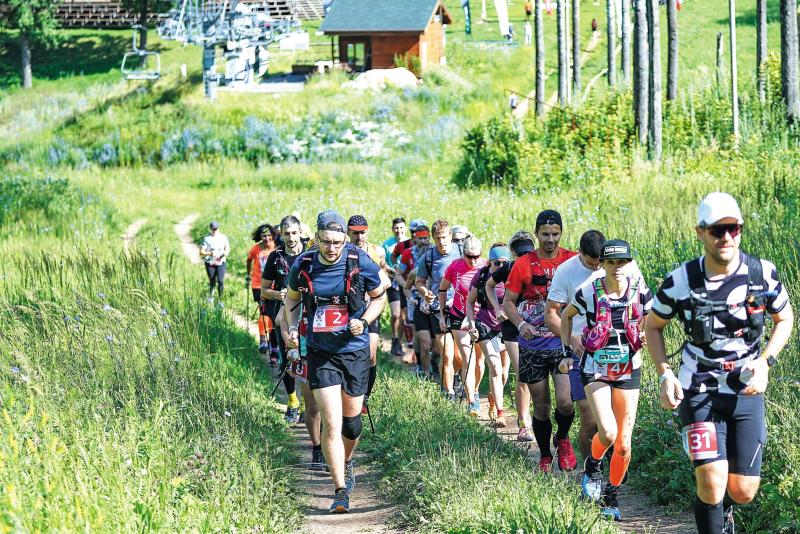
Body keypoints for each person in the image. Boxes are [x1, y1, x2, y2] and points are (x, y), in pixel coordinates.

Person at [644, 193, 793, 534]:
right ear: (700, 232)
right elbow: (652, 326)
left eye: (733, 229)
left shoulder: (762, 274)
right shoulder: (681, 281)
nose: (726, 237)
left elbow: (785, 318)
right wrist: (665, 373)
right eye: (717, 230)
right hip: (697, 389)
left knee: (742, 491)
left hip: (746, 389)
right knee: (711, 482)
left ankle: (726, 510)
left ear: (740, 230)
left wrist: (766, 362)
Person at [283, 209, 385, 514]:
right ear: (316, 237)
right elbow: (290, 300)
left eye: (338, 242)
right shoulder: (304, 263)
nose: (332, 248)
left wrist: (364, 321)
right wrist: (290, 327)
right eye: (326, 241)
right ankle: (340, 490)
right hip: (320, 350)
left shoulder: (359, 261)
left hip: (353, 349)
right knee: (331, 419)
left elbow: (379, 297)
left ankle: (347, 459)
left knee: (351, 424)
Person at [560, 239, 652, 521]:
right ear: (602, 264)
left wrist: (645, 334)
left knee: (624, 444)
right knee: (608, 433)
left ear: (629, 262)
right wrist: (566, 351)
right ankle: (593, 466)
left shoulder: (640, 290)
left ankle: (610, 497)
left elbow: (653, 317)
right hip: (595, 368)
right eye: (610, 262)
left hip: (628, 368)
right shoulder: (588, 291)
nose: (616, 268)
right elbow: (565, 316)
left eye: (621, 262)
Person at [503, 210, 578, 473]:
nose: (550, 239)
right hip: (532, 345)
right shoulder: (523, 264)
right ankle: (545, 454)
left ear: (561, 233)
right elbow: (508, 302)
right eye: (545, 234)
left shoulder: (572, 260)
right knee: (542, 406)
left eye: (555, 234)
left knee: (566, 401)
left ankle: (564, 438)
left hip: (562, 343)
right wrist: (521, 325)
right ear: (536, 234)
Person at [486, 230, 536, 441]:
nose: (525, 257)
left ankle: (533, 415)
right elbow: (489, 285)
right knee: (523, 374)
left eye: (528, 252)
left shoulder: (539, 267)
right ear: (513, 253)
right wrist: (498, 308)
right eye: (521, 253)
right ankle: (524, 424)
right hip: (512, 327)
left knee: (535, 377)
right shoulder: (507, 268)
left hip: (537, 327)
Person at [262, 215, 308, 424]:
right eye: (286, 233)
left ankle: (309, 405)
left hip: (308, 314)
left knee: (310, 359)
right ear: (280, 234)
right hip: (283, 314)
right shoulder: (275, 257)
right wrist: (278, 294)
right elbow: (264, 290)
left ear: (300, 233)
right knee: (289, 356)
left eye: (294, 233)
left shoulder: (310, 253)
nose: (291, 238)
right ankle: (292, 401)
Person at [347, 215, 392, 413]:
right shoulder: (343, 250)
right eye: (355, 232)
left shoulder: (375, 252)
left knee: (371, 354)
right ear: (348, 232)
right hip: (349, 310)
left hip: (371, 308)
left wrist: (371, 291)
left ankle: (364, 396)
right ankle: (349, 393)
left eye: (362, 232)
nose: (359, 236)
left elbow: (386, 281)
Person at [416, 219, 464, 399]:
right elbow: (419, 281)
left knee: (459, 357)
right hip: (439, 309)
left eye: (444, 237)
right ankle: (447, 392)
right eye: (437, 238)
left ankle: (456, 377)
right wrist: (425, 292)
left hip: (460, 309)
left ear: (450, 236)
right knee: (446, 353)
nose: (441, 242)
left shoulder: (461, 253)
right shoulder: (428, 257)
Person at [439, 236, 487, 415]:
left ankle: (474, 389)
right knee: (469, 358)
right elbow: (442, 289)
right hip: (459, 316)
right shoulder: (455, 266)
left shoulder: (486, 266)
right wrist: (443, 313)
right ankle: (472, 401)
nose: (473, 260)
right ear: (463, 254)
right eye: (469, 256)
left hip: (481, 318)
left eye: (476, 256)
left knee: (480, 361)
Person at [466, 242, 512, 426]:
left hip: (507, 327)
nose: (501, 267)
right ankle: (501, 414)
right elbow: (470, 302)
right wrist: (471, 324)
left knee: (504, 373)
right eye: (497, 263)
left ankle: (494, 399)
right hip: (485, 323)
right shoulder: (482, 275)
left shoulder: (512, 274)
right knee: (494, 366)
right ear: (490, 262)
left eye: (504, 263)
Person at [246, 224, 277, 355]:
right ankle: (263, 340)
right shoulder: (256, 249)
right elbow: (248, 260)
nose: (267, 238)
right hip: (258, 285)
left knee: (273, 313)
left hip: (274, 285)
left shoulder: (277, 247)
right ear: (260, 236)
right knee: (263, 311)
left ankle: (272, 341)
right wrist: (248, 275)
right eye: (264, 235)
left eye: (269, 235)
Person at [382, 217, 408, 356]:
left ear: (406, 228)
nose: (399, 230)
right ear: (393, 229)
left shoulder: (410, 243)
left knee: (404, 317)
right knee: (396, 314)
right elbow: (382, 262)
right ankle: (394, 338)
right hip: (392, 282)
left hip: (407, 283)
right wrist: (393, 272)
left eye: (401, 227)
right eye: (396, 228)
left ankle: (399, 341)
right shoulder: (387, 244)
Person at [199, 221, 230, 305]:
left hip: (221, 262)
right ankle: (211, 298)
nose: (214, 231)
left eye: (216, 229)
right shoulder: (206, 239)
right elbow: (201, 252)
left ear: (218, 228)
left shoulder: (223, 237)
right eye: (213, 229)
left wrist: (225, 253)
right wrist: (210, 253)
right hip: (210, 262)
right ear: (210, 229)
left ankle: (220, 300)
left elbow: (227, 248)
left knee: (220, 281)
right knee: (212, 280)